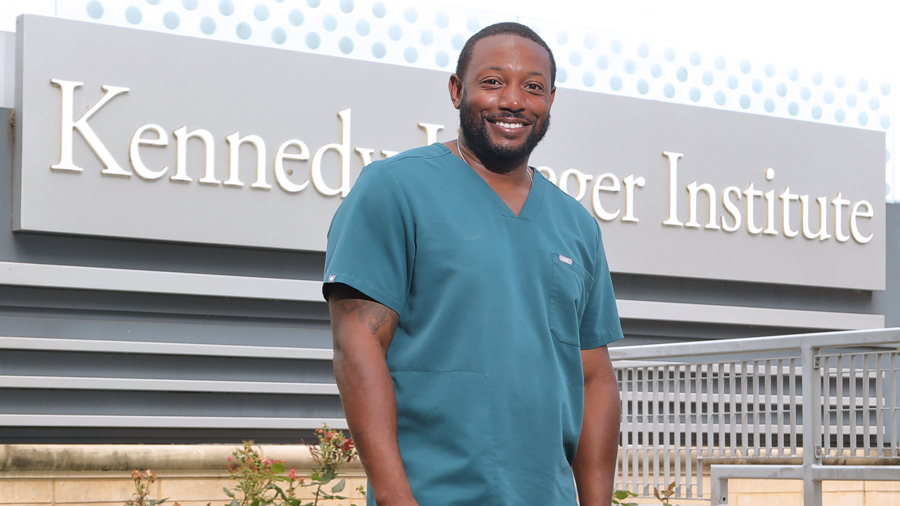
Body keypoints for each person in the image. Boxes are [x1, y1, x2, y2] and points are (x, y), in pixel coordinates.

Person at [323, 22, 623, 506]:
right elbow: (357, 347)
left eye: (533, 87)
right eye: (492, 81)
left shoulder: (577, 225)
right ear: (457, 90)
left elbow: (594, 376)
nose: (513, 100)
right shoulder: (394, 189)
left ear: (550, 100)